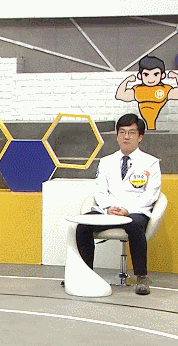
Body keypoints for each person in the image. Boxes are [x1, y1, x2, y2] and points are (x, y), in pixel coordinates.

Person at [74, 113, 161, 295]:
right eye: (122, 132)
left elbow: (151, 194)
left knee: (135, 226)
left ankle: (141, 277)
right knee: (83, 227)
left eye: (131, 132)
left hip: (136, 211)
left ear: (140, 137)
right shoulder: (106, 161)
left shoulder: (151, 163)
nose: (126, 137)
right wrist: (108, 208)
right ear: (117, 136)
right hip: (109, 210)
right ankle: (85, 274)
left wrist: (127, 210)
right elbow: (99, 190)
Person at [115, 55, 178, 130]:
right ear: (140, 76)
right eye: (146, 74)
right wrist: (126, 81)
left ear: (162, 75)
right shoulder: (138, 89)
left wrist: (177, 77)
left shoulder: (164, 89)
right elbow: (120, 95)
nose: (151, 78)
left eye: (156, 74)